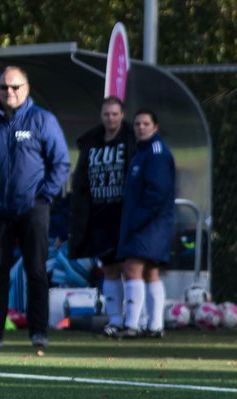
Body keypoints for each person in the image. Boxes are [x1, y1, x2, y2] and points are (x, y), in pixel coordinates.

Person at [0, 66, 70, 349]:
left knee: (35, 271)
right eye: (3, 88)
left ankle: (38, 332)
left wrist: (43, 196)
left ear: (26, 88)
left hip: (33, 210)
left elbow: (61, 163)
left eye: (14, 87)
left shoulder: (42, 120)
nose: (9, 92)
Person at [67, 96, 136, 336]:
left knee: (130, 267)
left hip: (124, 214)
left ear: (122, 115)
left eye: (115, 114)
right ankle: (115, 319)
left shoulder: (131, 140)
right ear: (101, 116)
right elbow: (80, 182)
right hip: (99, 214)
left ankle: (135, 321)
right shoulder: (92, 143)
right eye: (107, 114)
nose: (111, 118)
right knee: (109, 269)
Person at [114, 108, 176, 338]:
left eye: (145, 124)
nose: (140, 127)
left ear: (155, 127)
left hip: (152, 223)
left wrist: (138, 220)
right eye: (137, 124)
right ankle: (155, 326)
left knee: (132, 268)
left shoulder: (156, 152)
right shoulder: (142, 152)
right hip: (147, 222)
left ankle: (132, 325)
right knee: (150, 272)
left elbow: (157, 193)